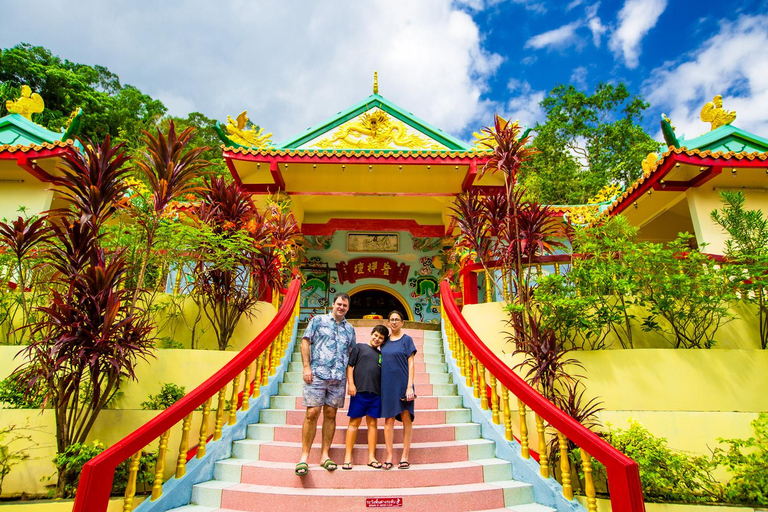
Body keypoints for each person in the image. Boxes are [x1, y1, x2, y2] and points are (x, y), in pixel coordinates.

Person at [295, 293, 356, 476]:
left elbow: (351, 354)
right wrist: (306, 367)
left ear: (348, 307)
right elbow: (305, 342)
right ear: (333, 304)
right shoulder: (318, 321)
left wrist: (350, 380)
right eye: (339, 304)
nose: (341, 307)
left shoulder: (350, 329)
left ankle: (325, 455)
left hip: (338, 378)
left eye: (345, 305)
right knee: (312, 413)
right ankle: (304, 456)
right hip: (317, 374)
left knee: (331, 414)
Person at [342, 324, 388, 470]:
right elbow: (350, 366)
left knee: (372, 424)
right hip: (359, 391)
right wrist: (351, 384)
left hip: (375, 393)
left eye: (381, 338)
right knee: (354, 423)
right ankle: (347, 457)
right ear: (371, 333)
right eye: (376, 335)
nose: (377, 339)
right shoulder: (359, 348)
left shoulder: (381, 355)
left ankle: (371, 457)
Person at [380, 310, 417, 469]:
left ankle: (405, 455)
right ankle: (389, 456)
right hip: (387, 384)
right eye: (391, 319)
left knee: (406, 418)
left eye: (397, 319)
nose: (394, 322)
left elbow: (411, 363)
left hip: (403, 384)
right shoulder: (384, 341)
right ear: (388, 323)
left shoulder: (407, 340)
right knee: (388, 419)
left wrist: (410, 386)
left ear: (402, 322)